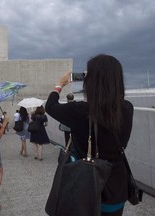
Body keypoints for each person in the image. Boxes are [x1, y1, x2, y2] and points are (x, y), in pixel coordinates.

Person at [45, 54, 134, 216]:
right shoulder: (127, 109)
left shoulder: (80, 111)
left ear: (92, 82)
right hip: (117, 185)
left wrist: (60, 84)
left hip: (88, 184)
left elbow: (50, 106)